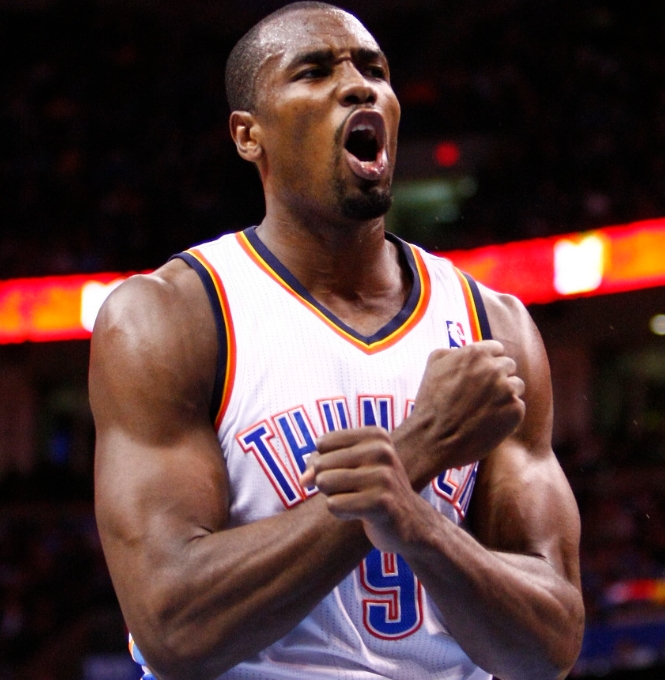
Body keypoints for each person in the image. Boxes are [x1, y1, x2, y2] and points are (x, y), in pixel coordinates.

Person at [89, 3, 585, 679]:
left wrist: (416, 526)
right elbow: (173, 628)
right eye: (314, 71)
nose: (358, 87)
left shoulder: (493, 324)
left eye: (374, 71)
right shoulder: (172, 316)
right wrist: (417, 449)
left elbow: (548, 648)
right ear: (248, 135)